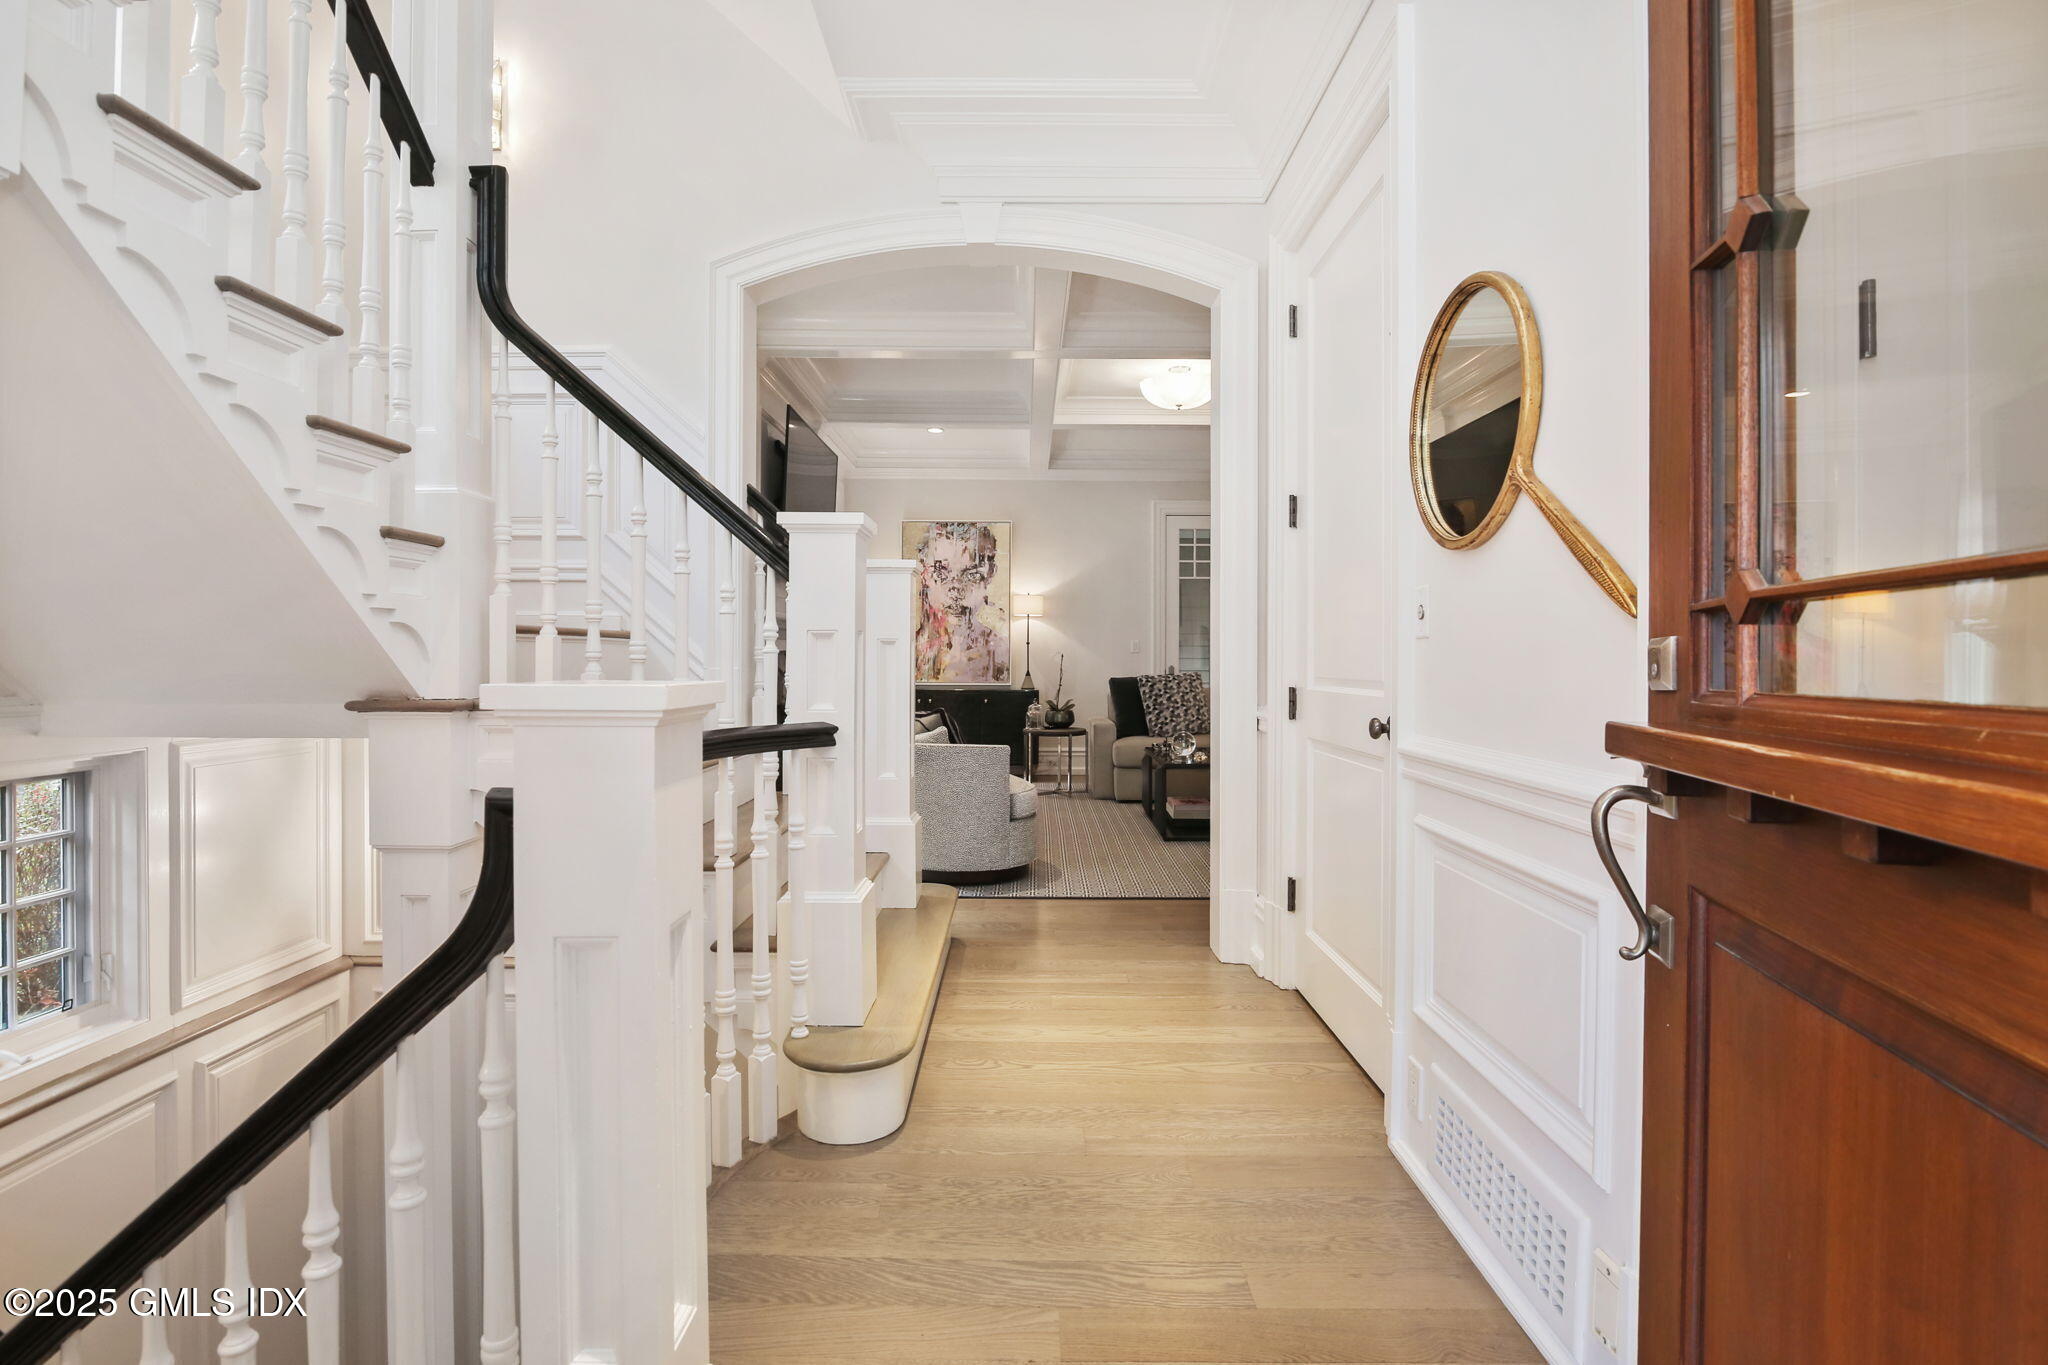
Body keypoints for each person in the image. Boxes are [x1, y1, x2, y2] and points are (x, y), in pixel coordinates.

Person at [913, 521, 1009, 684]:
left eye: (972, 575)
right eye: (941, 574)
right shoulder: (910, 650)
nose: (956, 590)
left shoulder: (999, 652)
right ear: (924, 575)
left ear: (990, 574)